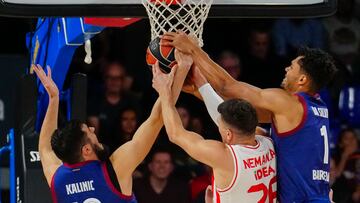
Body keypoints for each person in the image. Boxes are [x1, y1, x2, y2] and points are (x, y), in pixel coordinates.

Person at [161, 32, 337, 202]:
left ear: (302, 80)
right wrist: (201, 90)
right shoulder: (317, 107)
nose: (286, 69)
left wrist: (193, 49)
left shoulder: (288, 103)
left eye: (292, 67)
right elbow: (238, 114)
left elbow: (227, 86)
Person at [33, 49, 192, 203]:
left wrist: (53, 100)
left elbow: (45, 148)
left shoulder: (58, 179)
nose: (93, 129)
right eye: (89, 132)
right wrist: (181, 70)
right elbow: (157, 118)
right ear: (86, 150)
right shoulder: (114, 169)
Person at [152, 63, 277, 203]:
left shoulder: (224, 156)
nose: (218, 126)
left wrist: (164, 93)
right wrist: (202, 84)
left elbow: (175, 134)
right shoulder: (267, 141)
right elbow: (230, 120)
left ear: (228, 134)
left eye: (220, 127)